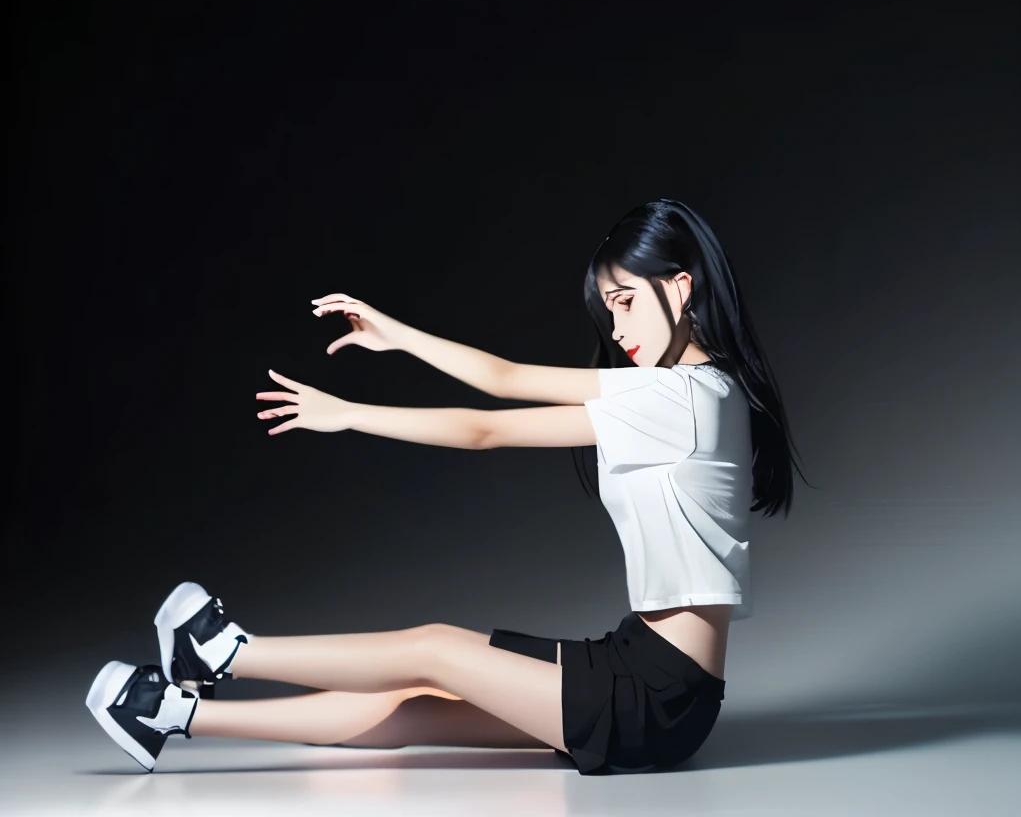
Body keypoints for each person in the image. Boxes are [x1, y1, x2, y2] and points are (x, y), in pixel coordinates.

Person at [86, 198, 807, 776]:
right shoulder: (682, 396)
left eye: (624, 301)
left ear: (681, 287)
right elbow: (497, 400)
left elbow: (492, 411)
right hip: (635, 666)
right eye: (607, 307)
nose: (616, 327)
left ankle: (229, 653)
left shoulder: (686, 397)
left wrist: (357, 401)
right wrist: (386, 357)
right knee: (410, 704)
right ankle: (171, 715)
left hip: (657, 700)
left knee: (431, 648)